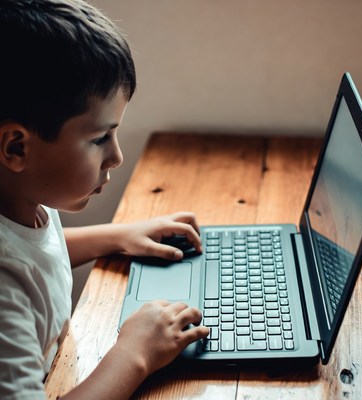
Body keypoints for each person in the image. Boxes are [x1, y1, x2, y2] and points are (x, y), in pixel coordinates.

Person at [0, 1, 209, 399]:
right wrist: (133, 355)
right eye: (99, 139)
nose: (116, 157)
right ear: (16, 148)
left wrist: (116, 236)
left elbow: (34, 257)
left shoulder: (21, 201)